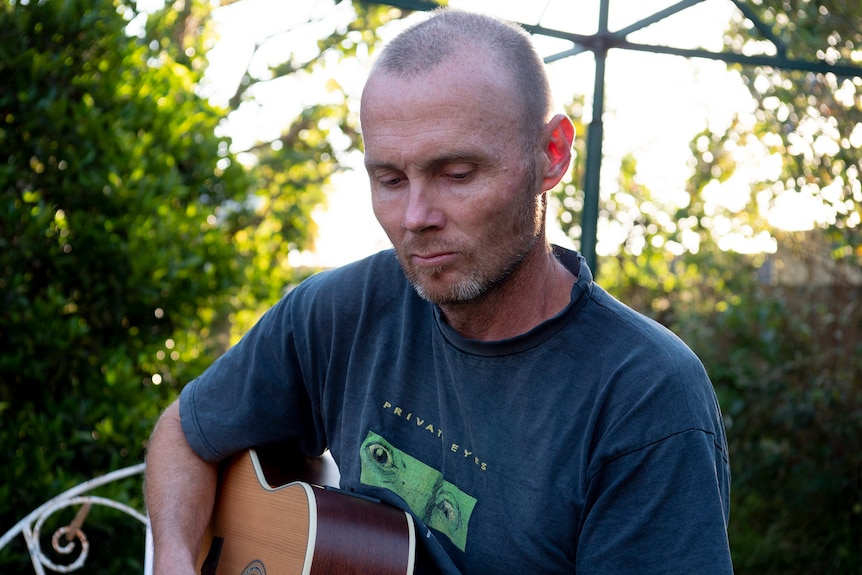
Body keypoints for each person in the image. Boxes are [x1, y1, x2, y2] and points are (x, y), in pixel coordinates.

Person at [144, 8, 733, 574]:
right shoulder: (343, 311)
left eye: (457, 174)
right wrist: (174, 559)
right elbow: (186, 434)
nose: (415, 217)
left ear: (550, 155)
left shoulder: (645, 398)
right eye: (390, 180)